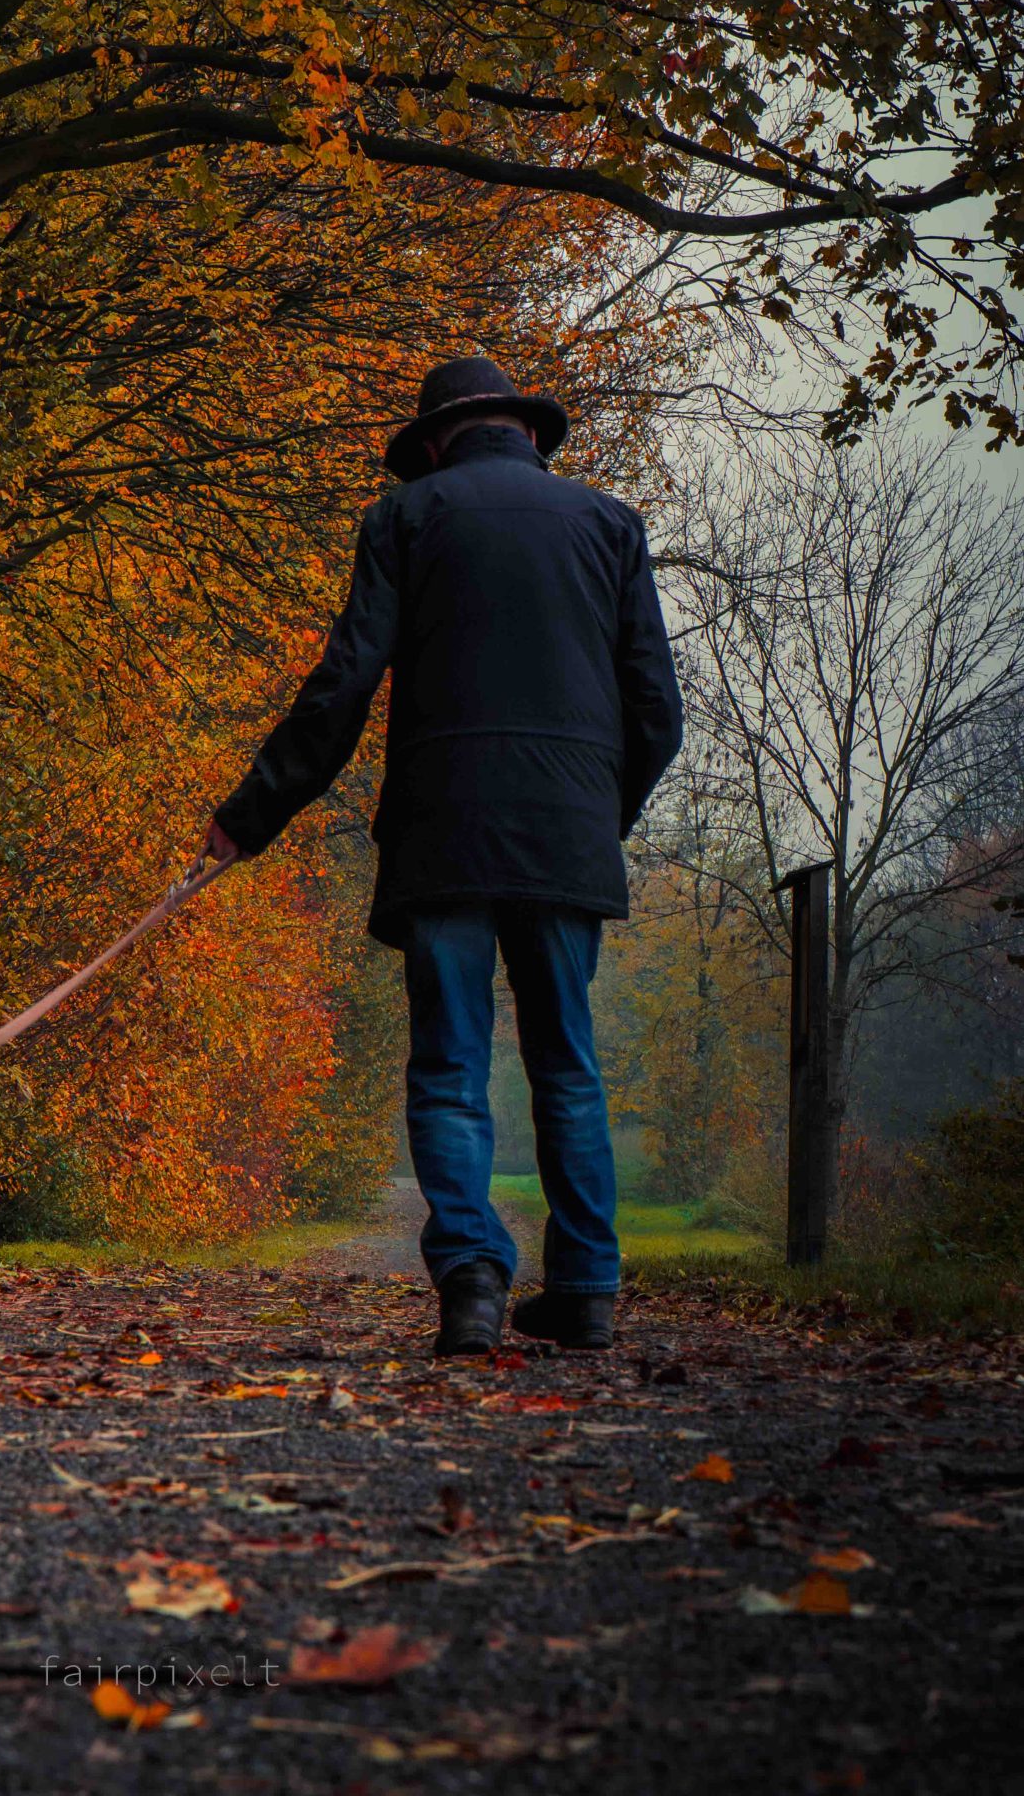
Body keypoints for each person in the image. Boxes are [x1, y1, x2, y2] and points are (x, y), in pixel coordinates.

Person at [198, 356, 683, 1355]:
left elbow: (342, 687)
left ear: (431, 444)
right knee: (570, 1063)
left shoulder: (408, 518)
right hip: (566, 831)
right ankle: (587, 1287)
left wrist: (250, 815)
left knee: (452, 1062)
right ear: (526, 433)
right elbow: (658, 717)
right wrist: (600, 817)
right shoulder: (610, 526)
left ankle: (470, 1278)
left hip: (443, 830)